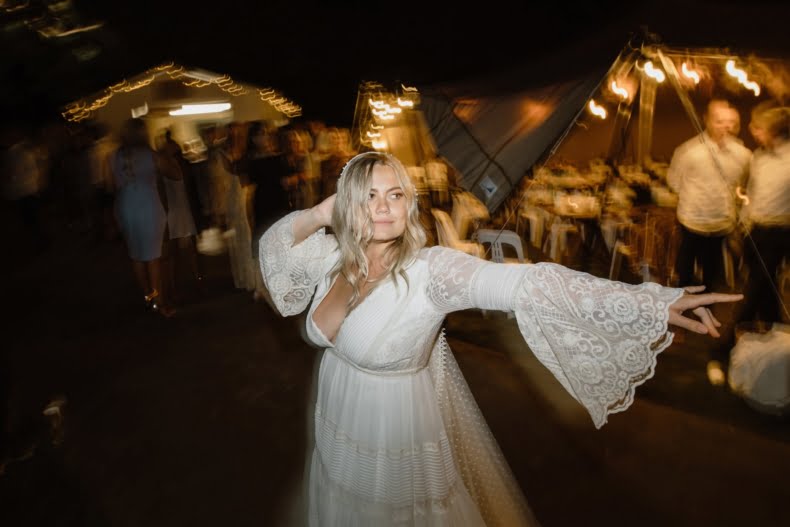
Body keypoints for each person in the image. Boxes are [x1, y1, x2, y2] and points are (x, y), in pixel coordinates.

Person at [259, 152, 742, 526]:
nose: (382, 207)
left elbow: (528, 283)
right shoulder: (334, 257)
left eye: (395, 194)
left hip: (391, 434)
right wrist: (322, 213)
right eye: (368, 195)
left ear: (410, 204)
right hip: (337, 419)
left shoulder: (432, 272)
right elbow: (273, 249)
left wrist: (652, 303)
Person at [667, 98, 752, 290]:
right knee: (685, 267)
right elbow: (674, 181)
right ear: (707, 121)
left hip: (721, 222)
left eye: (732, 122)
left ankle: (706, 301)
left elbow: (743, 184)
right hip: (691, 220)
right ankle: (683, 297)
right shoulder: (689, 151)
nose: (726, 126)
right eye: (719, 121)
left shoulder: (743, 154)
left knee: (711, 270)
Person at [110, 118, 178, 317]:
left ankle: (148, 297)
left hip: (125, 206)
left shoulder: (115, 156)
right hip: (148, 206)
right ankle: (159, 303)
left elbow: (111, 184)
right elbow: (174, 174)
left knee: (136, 256)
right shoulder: (150, 154)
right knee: (153, 257)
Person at [738, 101, 790, 324]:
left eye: (758, 128)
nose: (753, 131)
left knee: (757, 283)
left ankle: (734, 331)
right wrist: (743, 223)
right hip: (754, 229)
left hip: (779, 232)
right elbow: (752, 193)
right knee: (764, 284)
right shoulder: (758, 156)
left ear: (774, 131)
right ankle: (774, 324)